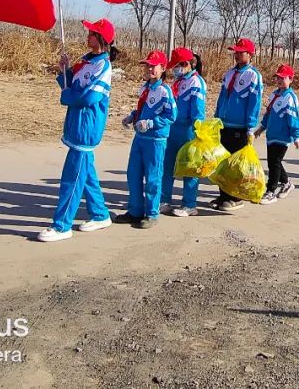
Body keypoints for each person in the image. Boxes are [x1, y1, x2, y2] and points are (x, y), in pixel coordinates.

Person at [38, 19, 118, 242]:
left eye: (92, 32)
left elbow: (91, 97)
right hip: (76, 121)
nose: (88, 35)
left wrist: (68, 96)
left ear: (101, 39)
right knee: (87, 173)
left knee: (72, 177)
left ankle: (62, 225)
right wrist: (64, 69)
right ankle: (101, 215)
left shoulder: (103, 66)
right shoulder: (85, 60)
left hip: (87, 125)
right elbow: (69, 83)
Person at [115, 51, 176, 229]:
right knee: (133, 174)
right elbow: (142, 109)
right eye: (147, 65)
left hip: (155, 140)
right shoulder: (144, 88)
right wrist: (132, 116)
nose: (149, 69)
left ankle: (151, 213)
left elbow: (171, 115)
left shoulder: (165, 91)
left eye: (153, 66)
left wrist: (151, 123)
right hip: (140, 137)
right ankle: (135, 211)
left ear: (162, 68)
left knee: (152, 178)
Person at [212, 38, 263, 212]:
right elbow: (222, 98)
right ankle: (224, 194)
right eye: (236, 52)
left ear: (250, 54)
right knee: (223, 161)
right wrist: (216, 118)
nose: (237, 55)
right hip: (224, 123)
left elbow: (254, 103)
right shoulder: (229, 74)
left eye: (241, 52)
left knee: (236, 164)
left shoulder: (252, 75)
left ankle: (235, 197)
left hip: (240, 126)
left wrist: (250, 127)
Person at [161, 47, 206, 218]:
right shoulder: (178, 81)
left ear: (186, 64)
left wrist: (197, 132)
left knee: (189, 168)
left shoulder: (196, 82)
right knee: (168, 165)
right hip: (173, 128)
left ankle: (189, 204)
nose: (174, 69)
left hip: (189, 129)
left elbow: (198, 111)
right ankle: (164, 200)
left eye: (177, 66)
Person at [254, 65, 299, 204]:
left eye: (283, 78)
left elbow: (294, 119)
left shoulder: (290, 97)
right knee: (273, 162)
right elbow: (268, 115)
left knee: (274, 163)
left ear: (291, 79)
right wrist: (261, 128)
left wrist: (296, 136)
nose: (279, 80)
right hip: (271, 135)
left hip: (283, 136)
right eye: (278, 78)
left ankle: (271, 191)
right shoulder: (274, 95)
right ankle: (287, 183)